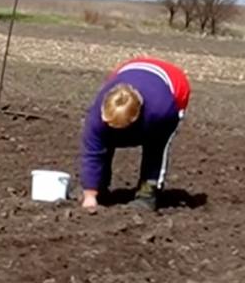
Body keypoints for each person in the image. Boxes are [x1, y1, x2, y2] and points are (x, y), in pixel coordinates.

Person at [79, 57, 192, 212]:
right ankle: (99, 185)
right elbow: (92, 153)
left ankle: (147, 192)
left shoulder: (161, 111)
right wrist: (90, 194)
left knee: (155, 146)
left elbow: (158, 150)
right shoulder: (97, 115)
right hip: (130, 68)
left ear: (134, 119)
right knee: (102, 137)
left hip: (173, 82)